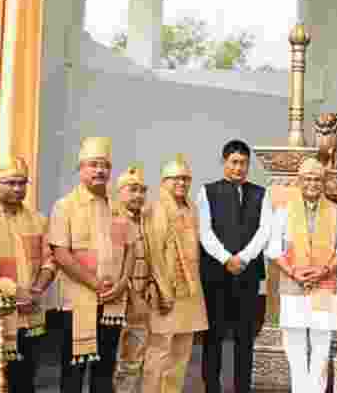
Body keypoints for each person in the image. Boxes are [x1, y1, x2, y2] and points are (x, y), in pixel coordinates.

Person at [48, 137, 131, 393]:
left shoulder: (119, 208)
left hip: (112, 301)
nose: (100, 171)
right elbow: (61, 253)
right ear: (81, 168)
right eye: (93, 165)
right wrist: (95, 283)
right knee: (74, 370)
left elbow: (130, 249)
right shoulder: (64, 206)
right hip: (78, 300)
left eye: (105, 165)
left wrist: (121, 284)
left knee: (105, 369)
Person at [0, 157, 57, 393]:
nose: (18, 189)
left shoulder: (38, 220)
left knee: (25, 379)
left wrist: (37, 289)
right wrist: (15, 292)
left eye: (22, 183)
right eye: (11, 183)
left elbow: (50, 259)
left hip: (30, 314)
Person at [267, 158, 337, 393]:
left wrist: (323, 271)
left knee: (321, 348)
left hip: (324, 286)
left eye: (317, 179)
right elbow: (274, 249)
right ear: (299, 181)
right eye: (307, 179)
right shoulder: (284, 212)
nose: (312, 183)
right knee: (294, 348)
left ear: (324, 182)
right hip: (292, 286)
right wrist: (294, 272)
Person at [197, 140, 272, 393]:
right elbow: (204, 232)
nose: (239, 168)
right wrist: (226, 258)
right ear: (224, 162)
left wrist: (244, 258)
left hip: (247, 275)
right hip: (216, 275)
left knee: (244, 338)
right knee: (214, 337)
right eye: (234, 162)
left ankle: (242, 387)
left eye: (244, 163)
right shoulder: (207, 192)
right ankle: (212, 388)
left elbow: (265, 230)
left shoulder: (261, 193)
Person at [143, 155, 208, 393]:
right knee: (159, 350)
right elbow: (154, 253)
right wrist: (162, 290)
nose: (182, 183)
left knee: (182, 352)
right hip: (166, 291)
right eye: (176, 179)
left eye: (186, 179)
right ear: (164, 181)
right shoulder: (157, 208)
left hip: (189, 290)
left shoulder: (190, 207)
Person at [112, 165, 151, 393]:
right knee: (118, 361)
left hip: (143, 303)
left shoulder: (146, 222)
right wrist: (134, 298)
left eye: (142, 190)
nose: (138, 195)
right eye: (132, 189)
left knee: (135, 360)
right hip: (120, 304)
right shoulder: (115, 221)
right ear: (120, 192)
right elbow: (116, 266)